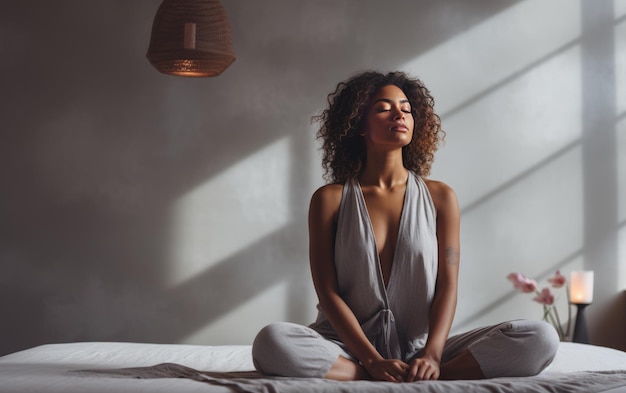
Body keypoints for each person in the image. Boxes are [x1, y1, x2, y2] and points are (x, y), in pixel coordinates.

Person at [252, 71, 559, 382]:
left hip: (418, 350)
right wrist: (372, 360)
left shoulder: (441, 197)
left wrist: (433, 355)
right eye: (384, 108)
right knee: (272, 342)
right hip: (344, 345)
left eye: (407, 109)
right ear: (359, 124)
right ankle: (370, 373)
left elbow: (447, 286)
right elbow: (328, 293)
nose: (400, 114)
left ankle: (427, 374)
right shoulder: (329, 200)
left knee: (540, 337)